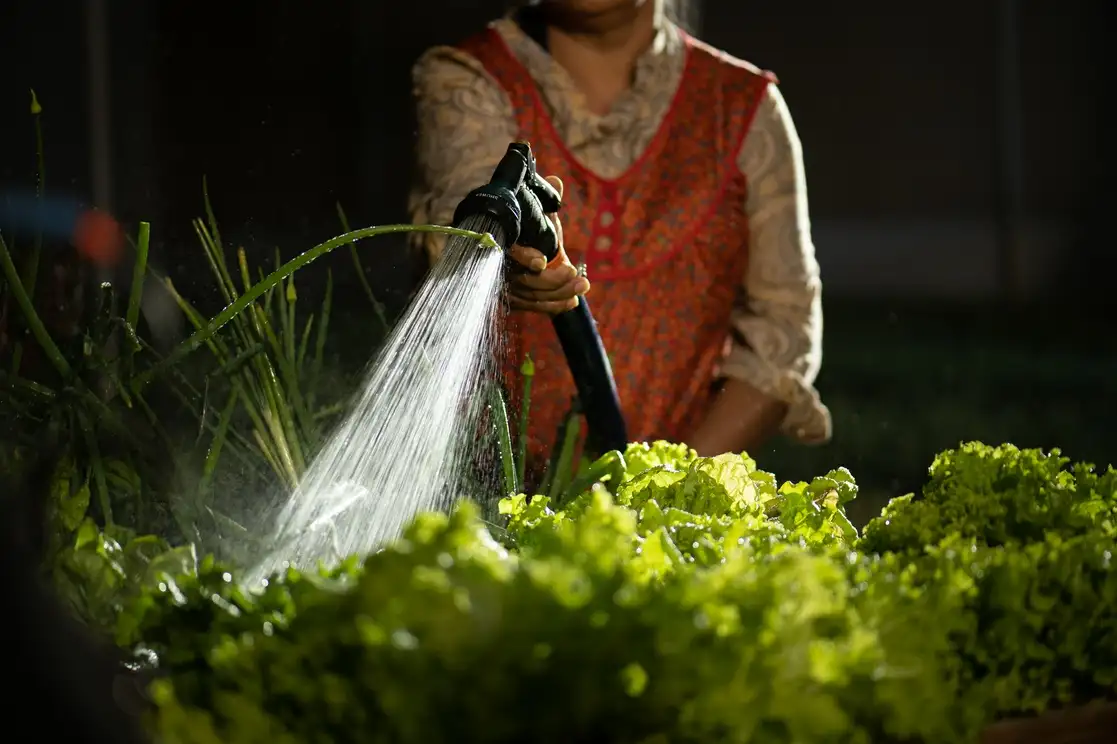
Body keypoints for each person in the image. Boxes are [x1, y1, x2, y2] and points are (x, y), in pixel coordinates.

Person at [409, 0, 831, 474]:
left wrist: (667, 490)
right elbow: (463, 239)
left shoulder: (741, 108)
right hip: (491, 492)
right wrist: (512, 269)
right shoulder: (470, 81)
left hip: (679, 497)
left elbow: (783, 335)